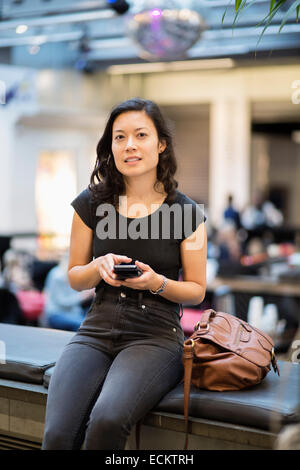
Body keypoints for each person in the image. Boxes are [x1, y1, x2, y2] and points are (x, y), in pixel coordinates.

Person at [42, 97, 207, 450]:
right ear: (110, 146)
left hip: (155, 336)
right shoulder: (90, 203)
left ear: (161, 144)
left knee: (107, 421)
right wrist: (97, 268)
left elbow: (196, 290)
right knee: (57, 435)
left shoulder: (188, 214)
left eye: (140, 135)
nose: (129, 145)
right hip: (95, 329)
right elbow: (74, 277)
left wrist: (156, 283)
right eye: (119, 137)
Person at [43, 251, 94, 331]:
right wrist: (83, 296)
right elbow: (62, 302)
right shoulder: (58, 275)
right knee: (82, 325)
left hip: (73, 312)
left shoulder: (66, 274)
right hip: (56, 314)